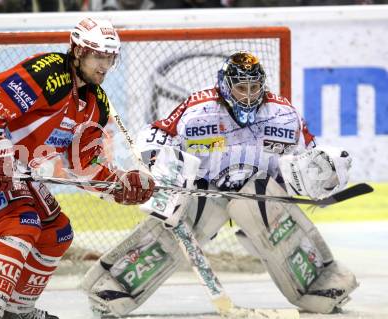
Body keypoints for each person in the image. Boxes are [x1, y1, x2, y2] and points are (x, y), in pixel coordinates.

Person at [81, 51, 358, 316]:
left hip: (257, 195)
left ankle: (320, 284)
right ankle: (112, 286)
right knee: (179, 226)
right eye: (241, 87)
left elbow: (309, 153)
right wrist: (160, 168)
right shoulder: (198, 109)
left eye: (254, 87)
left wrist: (325, 172)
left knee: (275, 225)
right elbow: (156, 135)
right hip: (206, 190)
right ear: (226, 86)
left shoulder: (284, 115)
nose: (249, 95)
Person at [0, 17, 154, 319]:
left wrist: (119, 183)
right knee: (22, 222)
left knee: (57, 231)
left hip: (13, 164)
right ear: (78, 51)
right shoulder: (50, 73)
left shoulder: (96, 103)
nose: (104, 66)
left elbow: (84, 166)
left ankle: (17, 311)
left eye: (110, 58)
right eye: (97, 56)